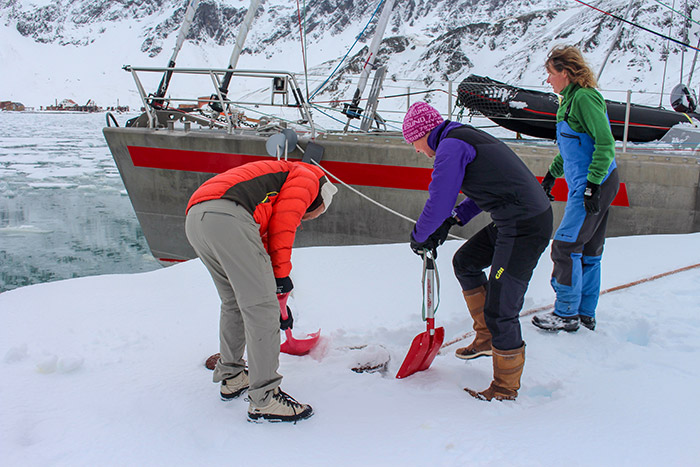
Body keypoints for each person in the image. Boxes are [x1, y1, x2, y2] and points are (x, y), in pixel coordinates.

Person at [404, 102, 553, 401]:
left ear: (424, 133)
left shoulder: (450, 147)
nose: (417, 151)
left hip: (524, 226)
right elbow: (490, 189)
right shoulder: (461, 137)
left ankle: (504, 389)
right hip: (513, 218)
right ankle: (486, 338)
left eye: (414, 143)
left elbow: (440, 199)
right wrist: (455, 219)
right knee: (466, 261)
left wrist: (420, 235)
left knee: (502, 309)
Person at [185, 159, 337, 423]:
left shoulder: (281, 177)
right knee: (261, 310)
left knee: (233, 301)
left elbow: (263, 239)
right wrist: (280, 280)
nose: (306, 218)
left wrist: (276, 288)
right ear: (319, 198)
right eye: (310, 214)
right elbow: (283, 227)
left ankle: (231, 377)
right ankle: (265, 398)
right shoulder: (308, 178)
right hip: (229, 218)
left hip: (198, 218)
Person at [531, 45, 619, 333]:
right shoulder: (568, 102)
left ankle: (566, 313)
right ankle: (585, 313)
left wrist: (593, 184)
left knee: (566, 246)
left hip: (595, 182)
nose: (548, 80)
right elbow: (573, 149)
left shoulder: (584, 99)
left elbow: (605, 143)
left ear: (565, 73)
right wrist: (552, 175)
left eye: (551, 73)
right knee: (589, 249)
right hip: (591, 182)